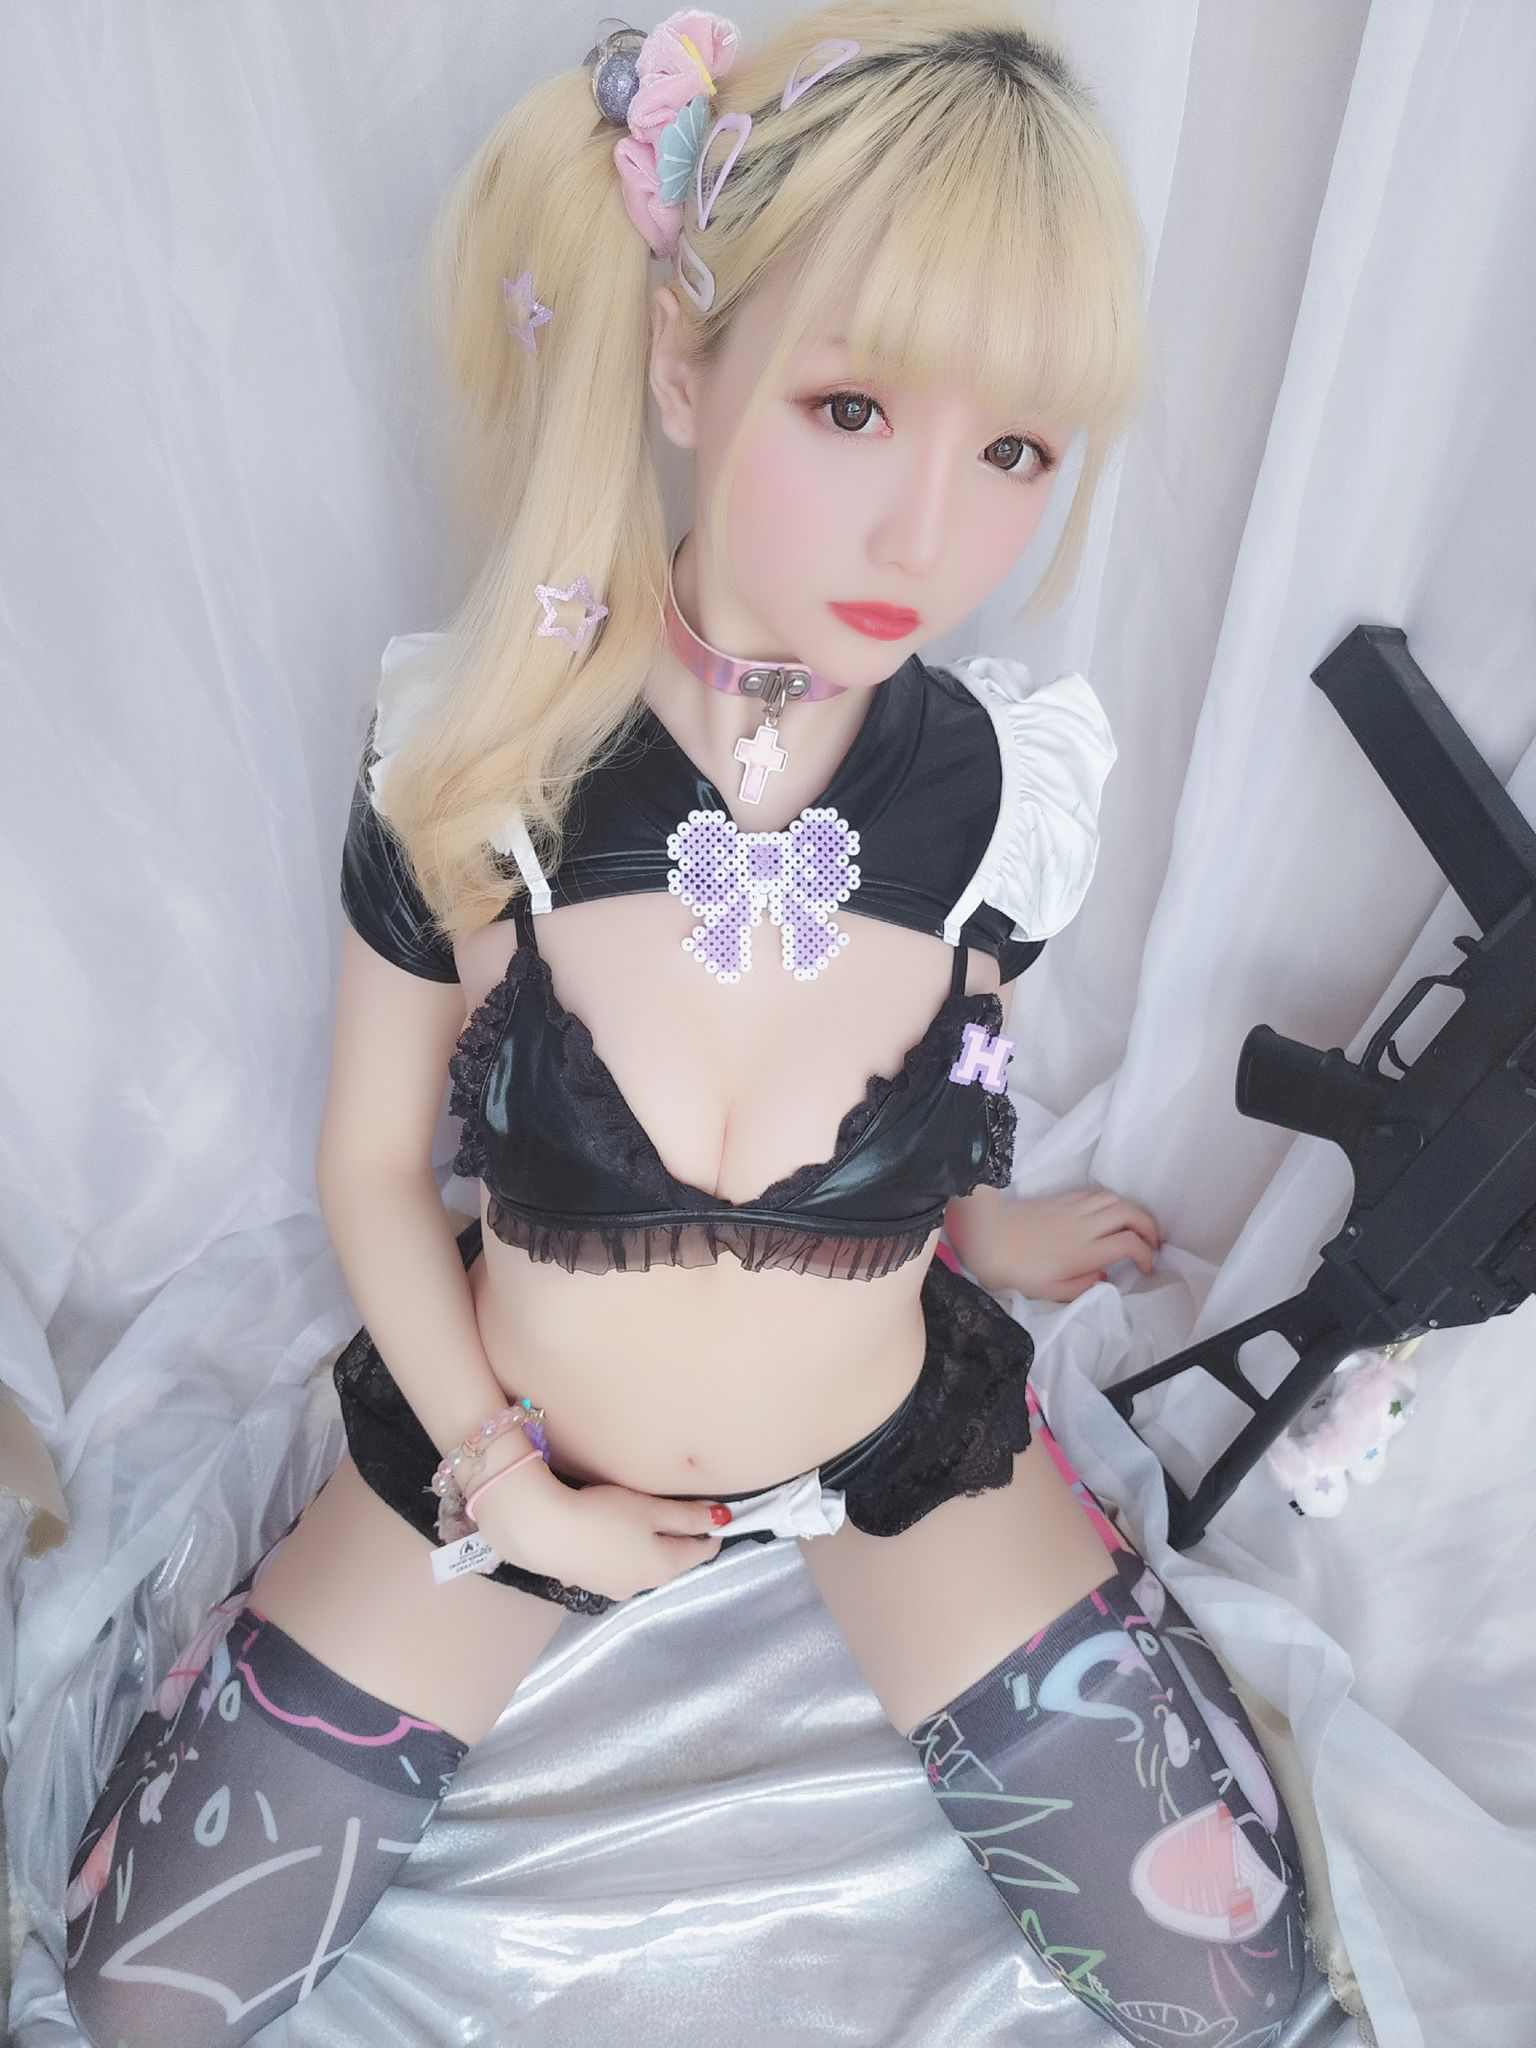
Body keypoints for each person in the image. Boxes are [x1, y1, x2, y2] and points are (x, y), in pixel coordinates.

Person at [61, 6, 1332, 2043]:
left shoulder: (1008, 793)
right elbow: (372, 1164)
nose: (931, 535)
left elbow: (956, 1082)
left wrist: (985, 1227)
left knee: (1230, 1978)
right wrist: (501, 1478)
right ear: (682, 362)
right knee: (142, 1987)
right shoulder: (477, 761)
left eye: (1013, 451)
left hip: (883, 1449)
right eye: (853, 409)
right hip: (521, 1445)